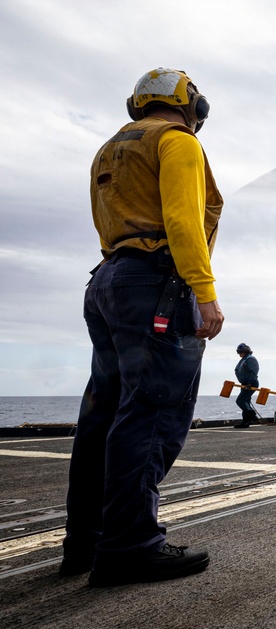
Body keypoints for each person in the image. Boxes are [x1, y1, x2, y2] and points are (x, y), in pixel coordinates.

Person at [61, 68, 224, 587]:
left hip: (107, 280)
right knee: (151, 412)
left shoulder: (109, 149)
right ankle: (130, 546)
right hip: (155, 281)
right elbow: (182, 221)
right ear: (190, 104)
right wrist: (204, 292)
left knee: (103, 417)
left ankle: (85, 542)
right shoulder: (176, 142)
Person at [233, 343, 260, 428]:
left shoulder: (251, 359)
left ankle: (252, 416)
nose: (239, 353)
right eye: (238, 352)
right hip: (244, 384)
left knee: (240, 401)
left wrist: (249, 383)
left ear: (246, 351)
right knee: (246, 402)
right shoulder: (243, 359)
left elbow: (253, 372)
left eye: (241, 351)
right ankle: (245, 422)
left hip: (251, 383)